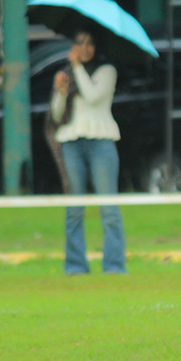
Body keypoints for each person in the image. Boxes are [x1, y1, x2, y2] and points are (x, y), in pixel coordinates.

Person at [50, 28, 126, 275]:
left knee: (108, 208)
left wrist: (76, 68)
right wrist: (60, 91)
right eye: (79, 43)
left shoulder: (106, 71)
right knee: (74, 207)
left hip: (101, 142)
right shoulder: (68, 74)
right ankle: (75, 266)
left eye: (89, 43)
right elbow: (57, 114)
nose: (84, 48)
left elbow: (93, 96)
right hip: (71, 142)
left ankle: (114, 266)